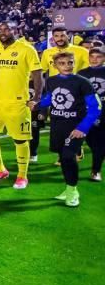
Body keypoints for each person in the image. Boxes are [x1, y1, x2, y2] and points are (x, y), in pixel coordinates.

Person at [0, 21, 43, 190]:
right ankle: (0, 170)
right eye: (0, 29)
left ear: (16, 30)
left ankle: (22, 175)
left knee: (20, 140)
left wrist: (37, 97)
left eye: (7, 29)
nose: (3, 32)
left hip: (18, 102)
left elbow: (37, 75)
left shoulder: (27, 49)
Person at [37, 51, 101, 207]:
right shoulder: (51, 81)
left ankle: (73, 192)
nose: (67, 66)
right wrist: (37, 104)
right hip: (57, 126)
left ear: (74, 63)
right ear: (55, 65)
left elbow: (95, 107)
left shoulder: (83, 82)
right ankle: (68, 188)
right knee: (63, 159)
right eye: (62, 63)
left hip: (75, 127)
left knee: (68, 157)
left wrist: (83, 128)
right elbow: (50, 98)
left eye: (70, 62)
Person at [79, 46, 105, 181]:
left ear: (104, 58)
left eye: (98, 57)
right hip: (88, 114)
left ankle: (96, 171)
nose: (95, 60)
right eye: (92, 57)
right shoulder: (82, 73)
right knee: (93, 143)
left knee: (99, 145)